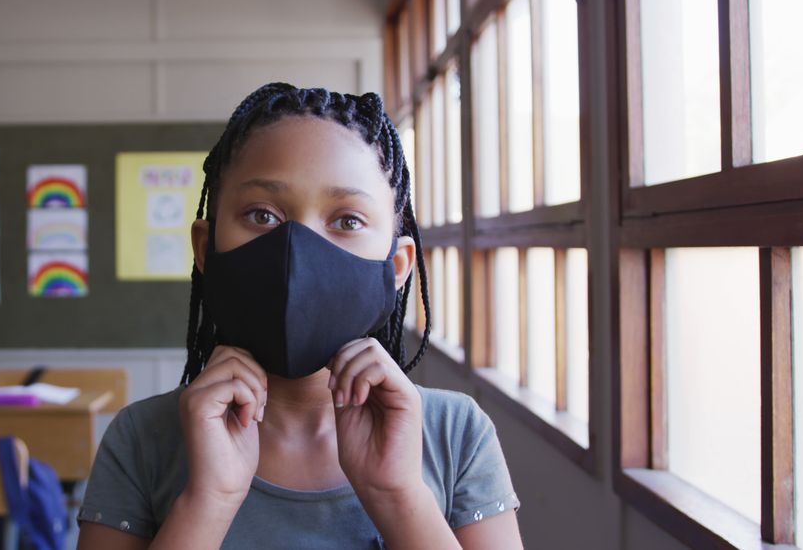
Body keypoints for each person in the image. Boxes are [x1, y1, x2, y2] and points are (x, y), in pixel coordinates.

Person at [76, 83, 523, 549]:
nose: (298, 252)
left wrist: (398, 495)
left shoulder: (455, 434)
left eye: (347, 220)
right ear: (206, 249)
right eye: (263, 215)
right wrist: (209, 498)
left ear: (396, 267)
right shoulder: (143, 439)